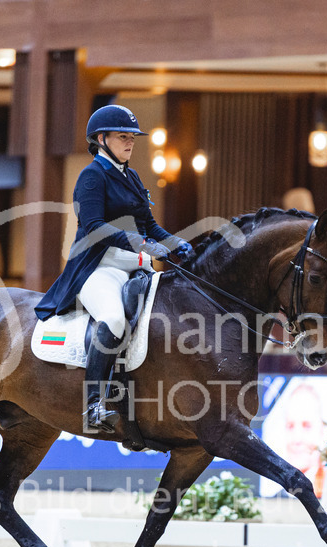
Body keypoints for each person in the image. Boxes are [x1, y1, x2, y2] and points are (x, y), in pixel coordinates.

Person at [34, 104, 193, 433]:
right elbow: (94, 226)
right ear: (101, 139)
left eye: (132, 137)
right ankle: (93, 404)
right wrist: (140, 243)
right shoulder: (92, 176)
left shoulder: (131, 176)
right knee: (114, 319)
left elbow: (149, 225)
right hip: (99, 267)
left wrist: (178, 244)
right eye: (123, 136)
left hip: (137, 267)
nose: (130, 142)